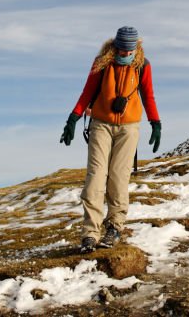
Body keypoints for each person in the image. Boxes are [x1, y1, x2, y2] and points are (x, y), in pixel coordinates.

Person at [60, 26, 161, 253]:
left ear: (136, 48)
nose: (125, 55)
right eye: (122, 50)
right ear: (115, 46)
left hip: (128, 128)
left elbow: (148, 94)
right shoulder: (102, 62)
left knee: (118, 177)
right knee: (95, 176)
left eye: (129, 51)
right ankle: (90, 233)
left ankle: (114, 227)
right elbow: (87, 92)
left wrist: (156, 123)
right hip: (101, 125)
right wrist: (73, 118)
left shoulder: (143, 65)